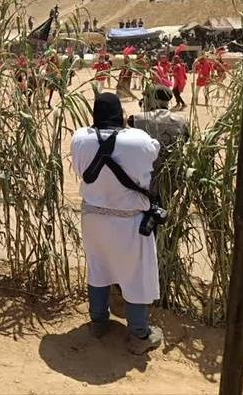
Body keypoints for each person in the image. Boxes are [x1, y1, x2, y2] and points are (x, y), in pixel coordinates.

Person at [71, 93, 163, 354]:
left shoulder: (80, 138)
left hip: (93, 218)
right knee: (135, 276)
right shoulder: (139, 139)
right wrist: (129, 126)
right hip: (129, 221)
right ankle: (139, 333)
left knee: (97, 268)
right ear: (120, 114)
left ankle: (99, 322)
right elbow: (153, 151)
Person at [128, 86, 190, 201]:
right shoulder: (182, 121)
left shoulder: (136, 120)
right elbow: (186, 142)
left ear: (152, 100)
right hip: (171, 179)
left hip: (144, 178)